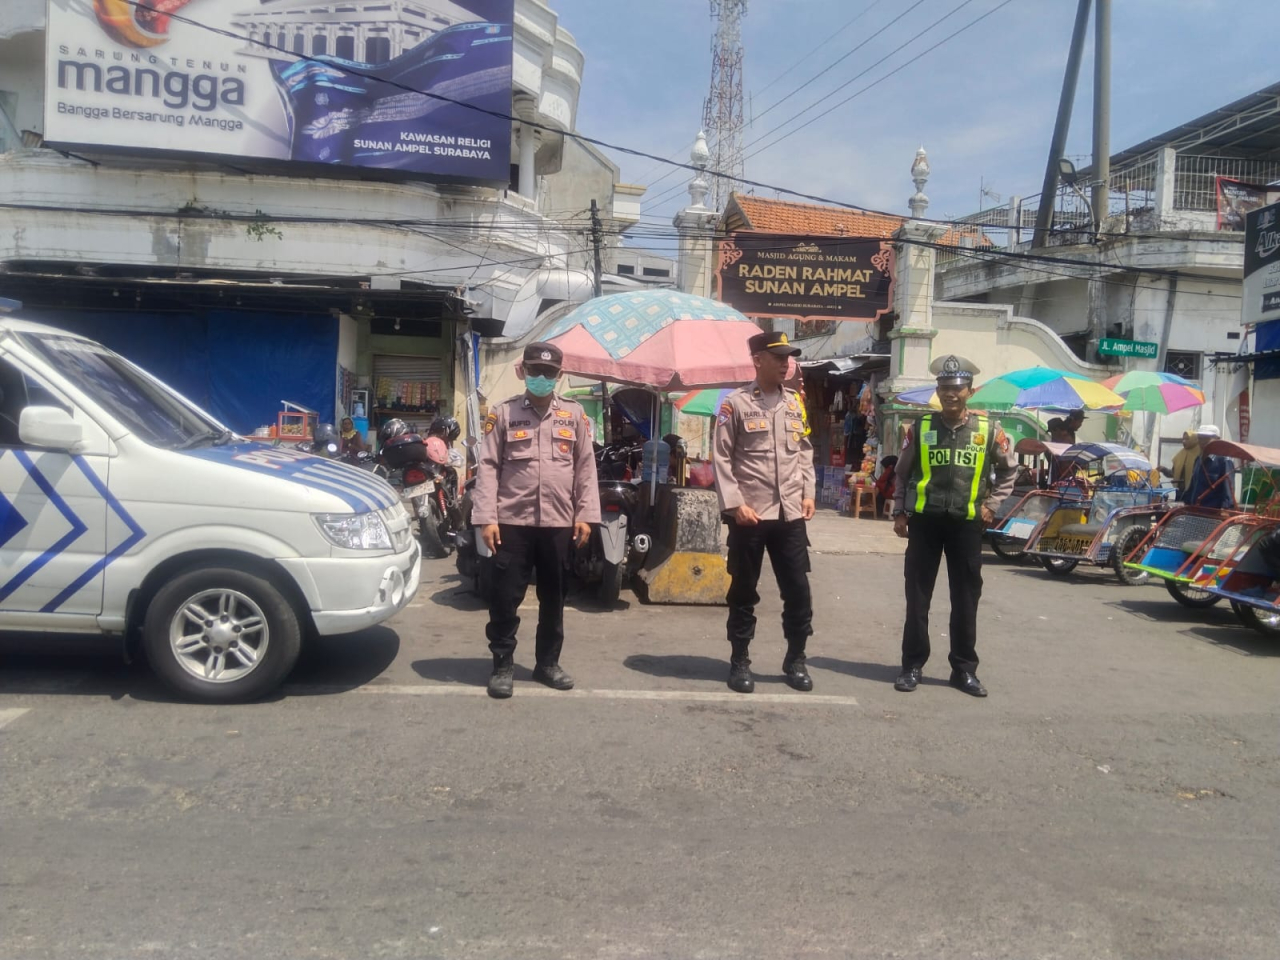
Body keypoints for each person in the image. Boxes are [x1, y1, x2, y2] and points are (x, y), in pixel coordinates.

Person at [472, 342, 600, 699]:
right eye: (535, 370)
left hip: (559, 522)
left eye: (548, 372)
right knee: (504, 598)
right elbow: (488, 467)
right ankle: (502, 665)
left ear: (559, 375)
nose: (541, 377)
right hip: (512, 522)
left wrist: (586, 514)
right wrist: (486, 518)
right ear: (523, 371)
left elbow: (585, 467)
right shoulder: (504, 412)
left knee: (554, 598)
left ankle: (547, 664)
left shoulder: (574, 414)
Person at [892, 355, 1018, 698]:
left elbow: (1009, 470)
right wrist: (899, 512)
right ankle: (912, 666)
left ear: (970, 391)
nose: (950, 394)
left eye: (957, 388)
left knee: (965, 599)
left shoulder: (987, 430)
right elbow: (902, 473)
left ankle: (964, 670)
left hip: (966, 524)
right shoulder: (921, 428)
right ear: (937, 390)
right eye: (944, 387)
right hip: (925, 522)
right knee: (917, 598)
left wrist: (992, 505)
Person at [713, 332, 817, 694]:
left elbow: (804, 450)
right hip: (750, 515)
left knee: (799, 591)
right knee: (743, 591)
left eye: (788, 357)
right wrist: (735, 503)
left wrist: (808, 492)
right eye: (778, 357)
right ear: (758, 360)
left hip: (790, 515)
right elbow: (721, 456)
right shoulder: (735, 403)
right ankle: (740, 660)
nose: (786, 363)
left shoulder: (795, 403)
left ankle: (796, 659)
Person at [1183, 424, 1236, 510]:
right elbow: (1193, 486)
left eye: (1206, 439)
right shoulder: (1198, 460)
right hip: (1194, 510)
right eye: (1200, 438)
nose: (1202, 442)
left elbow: (1229, 489)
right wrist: (1185, 503)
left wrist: (1226, 509)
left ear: (1217, 440)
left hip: (1212, 512)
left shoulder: (1224, 460)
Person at [1159, 429, 1198, 498]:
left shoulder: (1200, 454)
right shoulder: (1180, 455)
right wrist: (1164, 469)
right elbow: (1174, 473)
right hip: (1180, 492)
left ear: (1193, 439)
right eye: (1183, 439)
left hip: (1194, 492)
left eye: (1187, 439)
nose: (1184, 441)